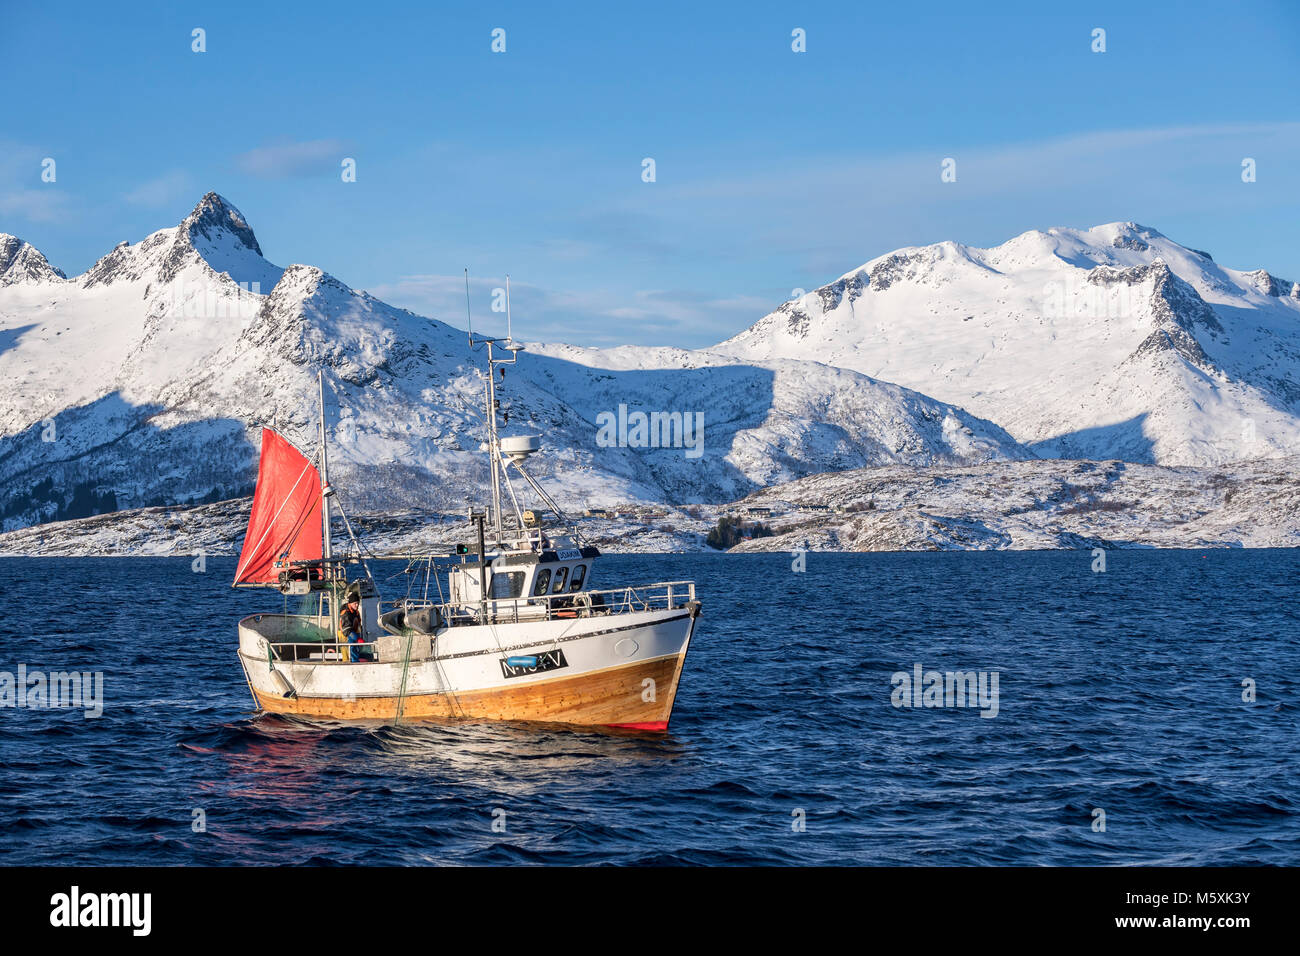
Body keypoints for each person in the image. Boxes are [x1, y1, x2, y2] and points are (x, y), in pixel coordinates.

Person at [340, 594, 364, 663]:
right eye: (355, 603)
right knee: (349, 652)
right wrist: (357, 638)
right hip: (346, 635)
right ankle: (353, 662)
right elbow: (346, 630)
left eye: (358, 603)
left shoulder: (356, 612)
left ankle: (355, 660)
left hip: (354, 634)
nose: (357, 605)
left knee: (355, 649)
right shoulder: (346, 613)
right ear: (350, 603)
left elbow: (358, 623)